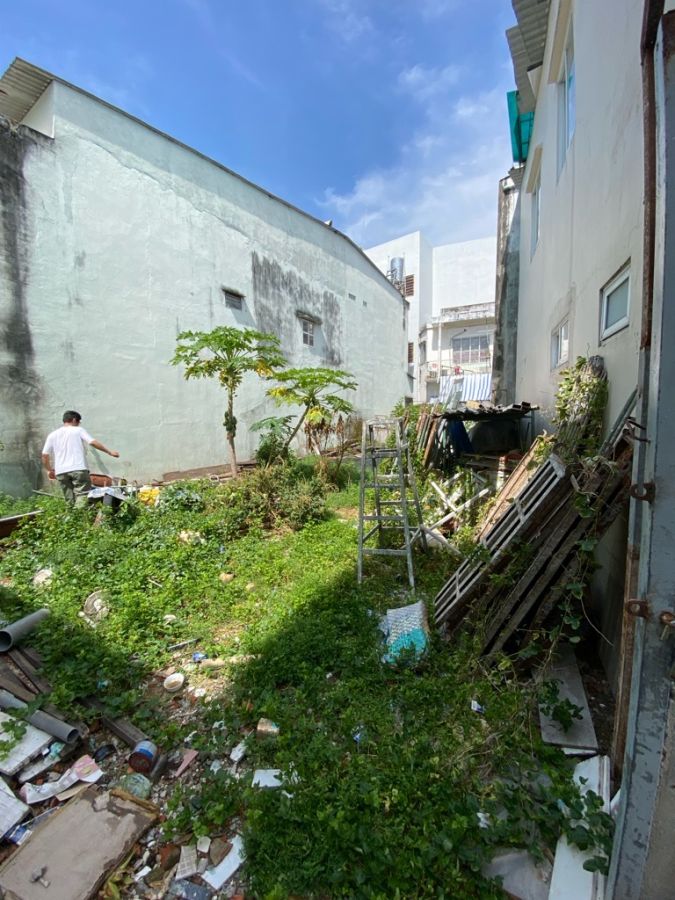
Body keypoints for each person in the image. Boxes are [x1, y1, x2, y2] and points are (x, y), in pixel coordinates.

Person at [41, 411, 120, 505]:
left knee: (69, 499)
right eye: (79, 421)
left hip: (61, 472)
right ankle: (79, 513)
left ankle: (71, 513)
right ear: (74, 420)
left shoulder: (52, 435)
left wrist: (49, 470)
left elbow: (44, 455)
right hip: (78, 468)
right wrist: (109, 452)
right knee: (82, 495)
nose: (79, 424)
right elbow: (92, 442)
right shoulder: (78, 430)